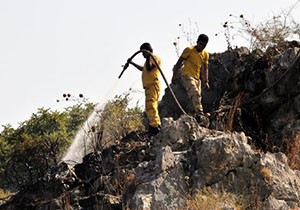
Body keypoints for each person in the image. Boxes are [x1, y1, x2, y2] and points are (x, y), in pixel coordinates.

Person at [172, 34, 210, 123]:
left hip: (197, 78)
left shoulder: (205, 54)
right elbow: (179, 62)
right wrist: (174, 75)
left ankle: (191, 118)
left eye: (204, 45)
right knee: (195, 93)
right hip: (187, 75)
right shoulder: (189, 50)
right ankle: (200, 114)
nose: (202, 46)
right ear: (197, 42)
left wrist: (206, 81)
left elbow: (205, 68)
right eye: (200, 44)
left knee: (195, 99)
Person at [127, 43, 162, 135]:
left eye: (143, 53)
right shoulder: (148, 60)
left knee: (151, 105)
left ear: (147, 51)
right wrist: (132, 63)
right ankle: (154, 125)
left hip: (153, 85)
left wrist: (148, 56)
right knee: (149, 106)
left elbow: (150, 68)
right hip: (148, 86)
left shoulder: (155, 58)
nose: (142, 55)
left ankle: (155, 126)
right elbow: (144, 69)